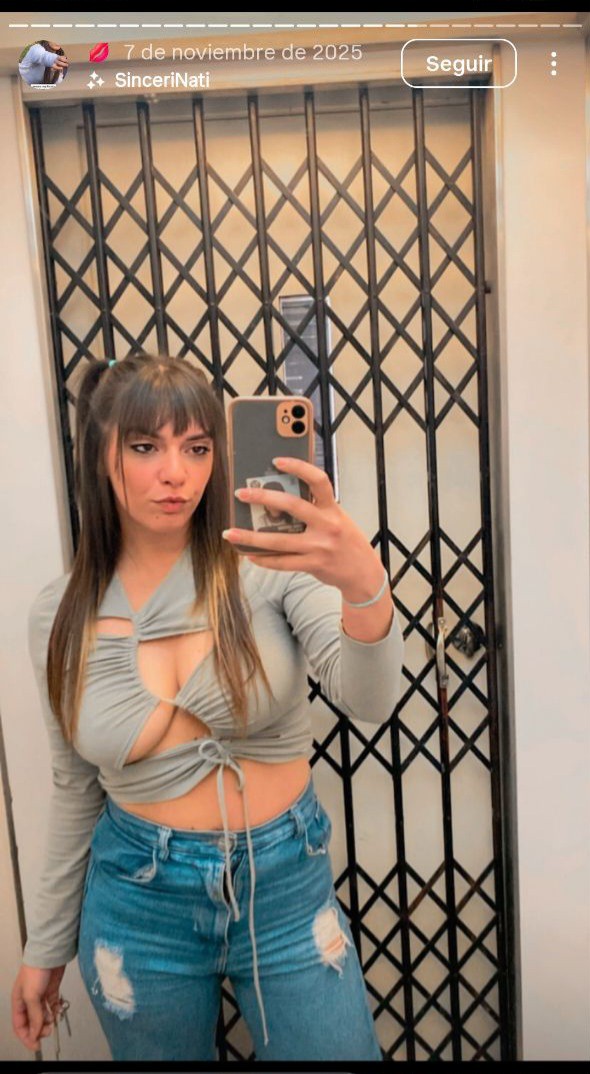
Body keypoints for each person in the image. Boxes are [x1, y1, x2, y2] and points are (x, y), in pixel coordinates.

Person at [11, 354, 404, 1061]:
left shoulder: (270, 564)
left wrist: (363, 583)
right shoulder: (60, 613)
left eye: (196, 448)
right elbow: (75, 787)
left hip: (285, 889)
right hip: (137, 905)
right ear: (100, 455)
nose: (177, 473)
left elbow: (371, 700)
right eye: (145, 447)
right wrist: (45, 947)